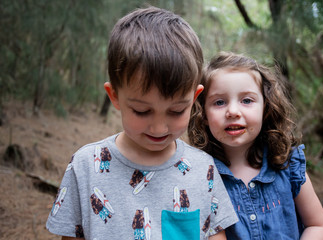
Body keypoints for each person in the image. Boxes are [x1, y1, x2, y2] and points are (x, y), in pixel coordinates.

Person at [45, 7, 238, 240]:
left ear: (194, 99)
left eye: (176, 111)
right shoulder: (86, 167)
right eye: (142, 110)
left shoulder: (203, 170)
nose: (159, 128)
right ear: (114, 95)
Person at [188, 51, 323, 239]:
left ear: (266, 108)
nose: (232, 111)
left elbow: (317, 226)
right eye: (219, 102)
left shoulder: (289, 163)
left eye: (247, 100)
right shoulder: (200, 176)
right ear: (203, 114)